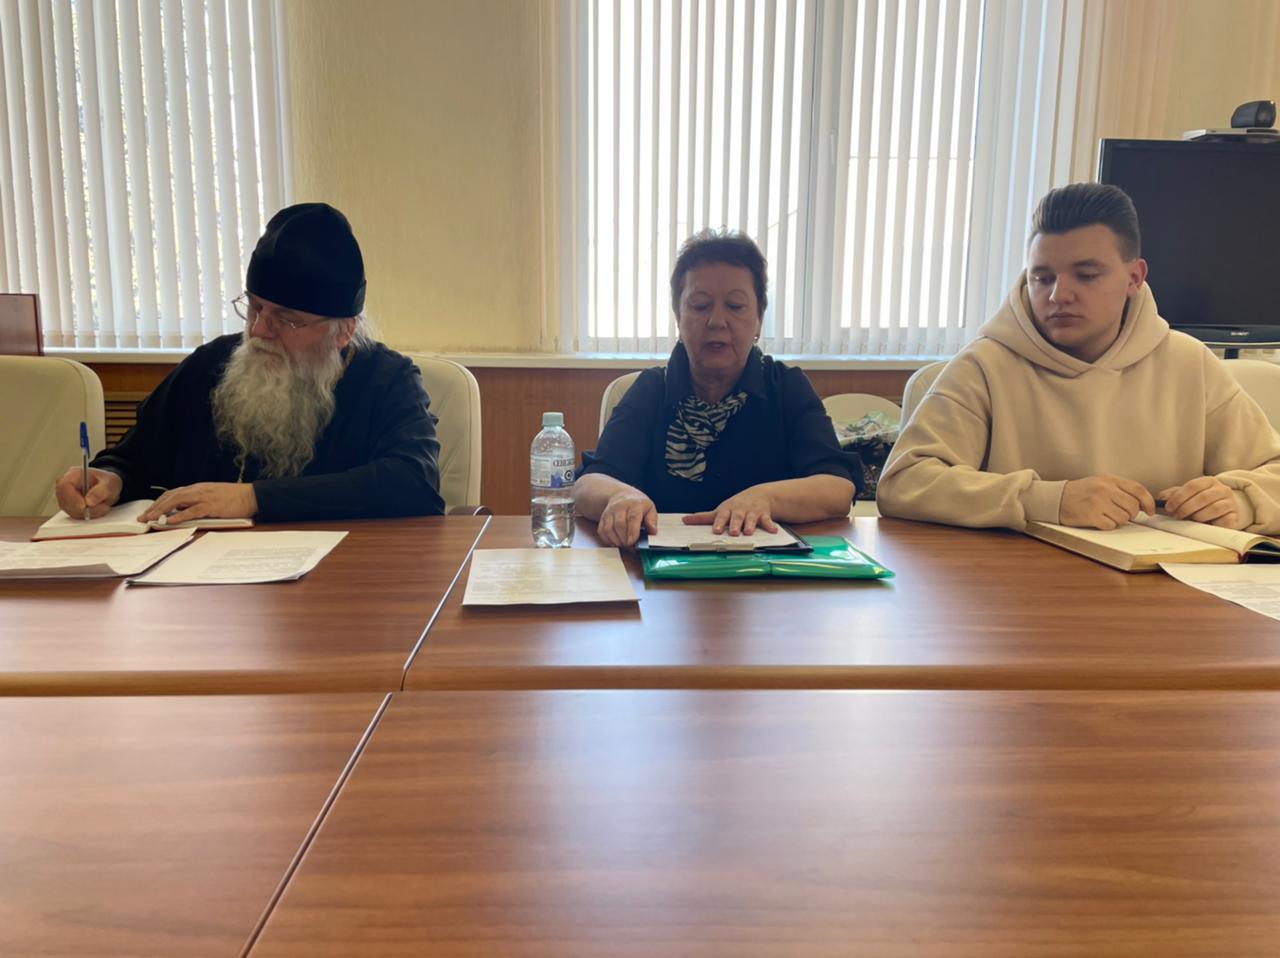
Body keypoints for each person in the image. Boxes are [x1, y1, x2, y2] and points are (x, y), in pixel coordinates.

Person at [877, 182, 1280, 534]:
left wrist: (1241, 500)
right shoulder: (984, 364)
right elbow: (903, 483)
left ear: (1134, 278)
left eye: (1086, 276)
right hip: (1020, 584)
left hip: (1163, 584)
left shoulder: (1190, 363)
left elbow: (1272, 469)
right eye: (1042, 278)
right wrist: (1048, 500)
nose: (1058, 295)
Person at [54, 203, 445, 522]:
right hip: (205, 584)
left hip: (340, 580)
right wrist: (111, 478)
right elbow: (136, 456)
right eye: (255, 308)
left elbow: (414, 482)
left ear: (343, 331)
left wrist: (253, 498)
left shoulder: (387, 381)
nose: (259, 330)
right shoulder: (211, 365)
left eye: (286, 319)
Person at [575, 230, 856, 548]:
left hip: (766, 569)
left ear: (759, 319)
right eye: (700, 305)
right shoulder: (652, 389)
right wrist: (619, 496)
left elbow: (838, 487)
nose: (716, 321)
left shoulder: (786, 387)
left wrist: (765, 498)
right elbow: (588, 483)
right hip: (663, 569)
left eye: (735, 305)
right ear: (678, 317)